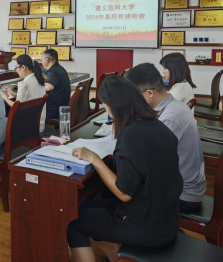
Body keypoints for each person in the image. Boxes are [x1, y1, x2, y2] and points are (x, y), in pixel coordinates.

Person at [68, 77, 182, 262]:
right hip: (167, 216)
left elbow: (124, 193)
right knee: (85, 208)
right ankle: (116, 257)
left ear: (113, 106)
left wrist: (94, 159)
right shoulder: (158, 125)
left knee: (73, 222)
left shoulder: (130, 135)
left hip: (147, 227)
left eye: (105, 105)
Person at [126, 63, 206, 212]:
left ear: (149, 93)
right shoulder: (172, 106)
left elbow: (149, 162)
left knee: (123, 191)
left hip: (183, 195)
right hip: (183, 184)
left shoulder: (170, 118)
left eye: (135, 96)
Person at [1, 54, 47, 132]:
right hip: (39, 125)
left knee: (1, 121)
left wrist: (4, 97)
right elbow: (31, 97)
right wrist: (14, 94)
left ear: (23, 67)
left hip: (28, 127)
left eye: (16, 68)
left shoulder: (25, 84)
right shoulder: (38, 79)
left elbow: (17, 107)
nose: (16, 70)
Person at [41, 49, 70, 120]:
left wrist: (36, 85)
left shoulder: (53, 72)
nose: (41, 61)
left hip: (53, 111)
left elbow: (49, 87)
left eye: (42, 59)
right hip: (62, 106)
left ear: (47, 60)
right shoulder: (60, 69)